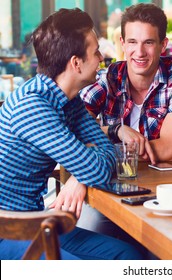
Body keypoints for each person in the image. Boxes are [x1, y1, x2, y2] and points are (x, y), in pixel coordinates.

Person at [0, 8, 144, 259]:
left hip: (35, 222)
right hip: (9, 232)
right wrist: (87, 166)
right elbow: (99, 169)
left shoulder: (68, 100)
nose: (101, 57)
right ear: (76, 63)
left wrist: (80, 176)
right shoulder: (33, 106)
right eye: (96, 51)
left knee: (127, 255)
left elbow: (107, 154)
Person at [80, 3, 172, 163]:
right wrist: (116, 131)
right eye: (132, 42)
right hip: (114, 179)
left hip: (163, 180)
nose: (140, 52)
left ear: (163, 45)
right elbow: (76, 131)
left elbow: (169, 149)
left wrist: (101, 152)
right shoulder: (108, 78)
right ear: (123, 44)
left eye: (148, 42)